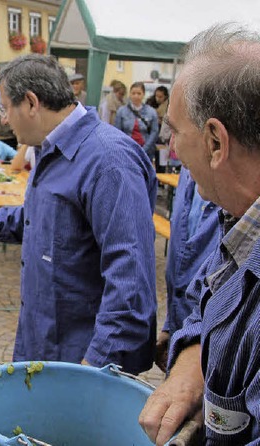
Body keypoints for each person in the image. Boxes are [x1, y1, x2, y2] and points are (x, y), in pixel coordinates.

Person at [0, 54, 157, 374]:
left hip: (82, 361)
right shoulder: (49, 149)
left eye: (6, 107)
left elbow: (130, 279)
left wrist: (95, 365)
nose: (4, 120)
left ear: (32, 103)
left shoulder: (109, 161)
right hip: (43, 344)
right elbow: (44, 220)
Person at [139, 23, 260, 445]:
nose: (171, 148)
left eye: (175, 131)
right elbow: (208, 307)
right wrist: (195, 362)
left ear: (214, 141)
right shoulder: (243, 220)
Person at [154, 167, 220, 372]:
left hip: (211, 360)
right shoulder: (188, 168)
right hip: (181, 336)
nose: (172, 143)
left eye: (176, 132)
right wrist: (170, 325)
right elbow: (181, 259)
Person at [114, 82, 159, 162]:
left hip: (146, 152)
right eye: (133, 93)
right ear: (129, 94)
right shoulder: (121, 111)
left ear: (143, 94)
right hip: (126, 151)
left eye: (139, 93)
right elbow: (117, 132)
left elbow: (154, 132)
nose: (136, 96)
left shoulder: (151, 112)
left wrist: (144, 149)